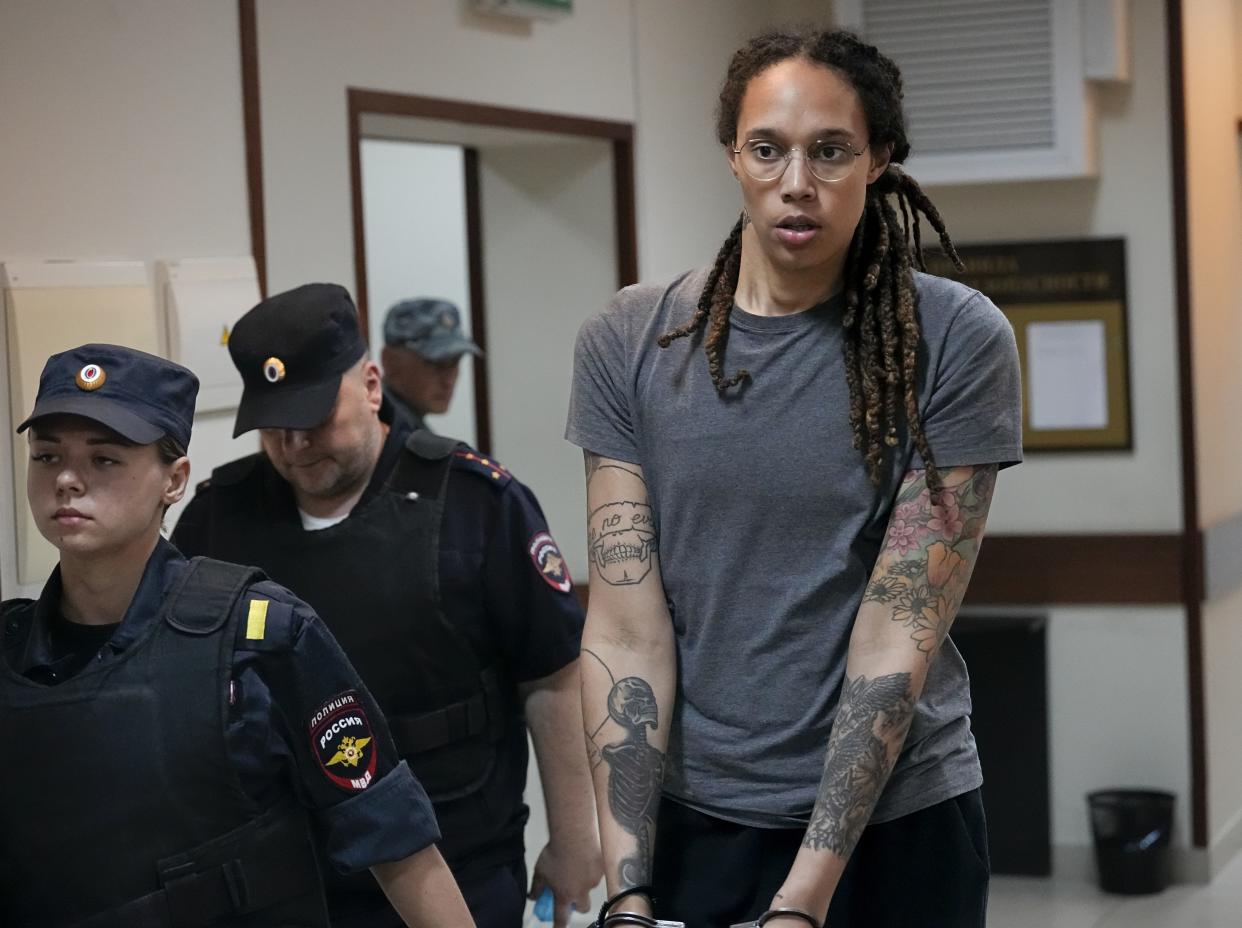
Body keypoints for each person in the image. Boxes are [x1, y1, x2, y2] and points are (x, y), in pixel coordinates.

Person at [567, 27, 1022, 928]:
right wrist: (627, 885)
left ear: (879, 159)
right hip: (699, 820)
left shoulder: (958, 339)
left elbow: (900, 631)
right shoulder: (628, 339)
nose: (796, 182)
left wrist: (800, 904)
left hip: (896, 823)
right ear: (734, 155)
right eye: (768, 149)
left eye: (831, 151)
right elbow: (625, 625)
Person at [0, 343, 473, 928]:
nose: (67, 480)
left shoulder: (263, 634)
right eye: (47, 456)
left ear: (174, 480)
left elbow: (392, 835)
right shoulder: (10, 650)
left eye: (105, 460)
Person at [174, 283, 601, 928]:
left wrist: (574, 839)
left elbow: (552, 675)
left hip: (457, 859)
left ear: (371, 385)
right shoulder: (217, 518)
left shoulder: (476, 504)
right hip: (285, 873)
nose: (293, 446)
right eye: (273, 426)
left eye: (314, 417)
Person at [381, 298, 482, 432]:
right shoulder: (384, 433)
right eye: (436, 364)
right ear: (390, 361)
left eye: (454, 363)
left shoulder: (402, 427)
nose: (448, 381)